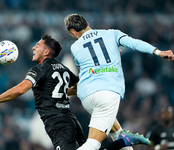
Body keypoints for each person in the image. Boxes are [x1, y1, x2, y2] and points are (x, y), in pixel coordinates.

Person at [0, 34, 150, 150]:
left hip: (58, 124)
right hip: (70, 120)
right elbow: (82, 85)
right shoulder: (63, 69)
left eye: (37, 45)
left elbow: (21, 89)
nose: (33, 48)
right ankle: (123, 141)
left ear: (46, 51)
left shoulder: (39, 69)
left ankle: (123, 141)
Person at [64, 13, 174, 150]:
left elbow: (88, 64)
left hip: (86, 96)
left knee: (119, 135)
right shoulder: (112, 34)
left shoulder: (75, 47)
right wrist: (158, 52)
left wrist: (112, 53)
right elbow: (135, 43)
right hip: (107, 94)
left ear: (73, 32)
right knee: (92, 144)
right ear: (86, 22)